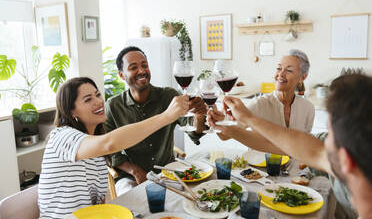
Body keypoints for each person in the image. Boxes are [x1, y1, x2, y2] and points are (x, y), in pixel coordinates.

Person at [209, 74, 372, 219]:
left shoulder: (338, 158)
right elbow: (284, 143)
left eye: (330, 133)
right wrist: (234, 127)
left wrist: (249, 119)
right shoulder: (353, 154)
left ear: (346, 160)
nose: (326, 141)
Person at [38, 77, 189, 219]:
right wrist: (166, 116)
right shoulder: (62, 136)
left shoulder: (95, 150)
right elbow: (109, 143)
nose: (98, 101)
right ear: (71, 111)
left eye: (97, 95)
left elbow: (99, 203)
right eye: (88, 99)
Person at [105, 46, 207, 195]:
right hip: (131, 177)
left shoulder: (169, 96)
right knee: (132, 203)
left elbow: (194, 131)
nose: (141, 71)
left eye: (144, 65)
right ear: (121, 75)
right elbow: (109, 152)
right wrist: (136, 171)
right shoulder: (113, 106)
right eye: (134, 67)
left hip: (169, 172)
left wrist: (199, 115)